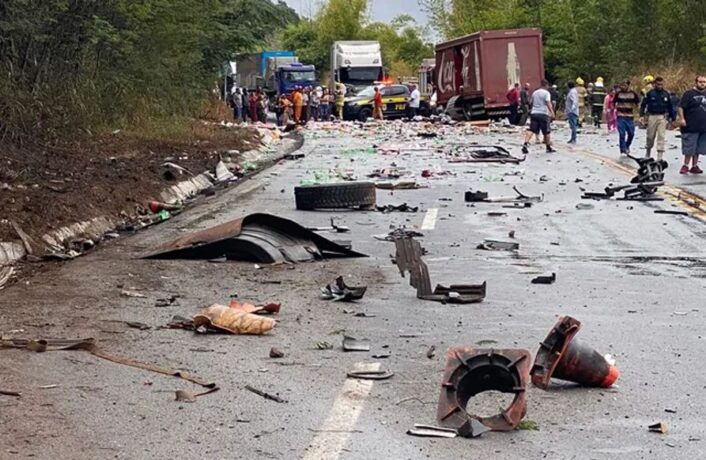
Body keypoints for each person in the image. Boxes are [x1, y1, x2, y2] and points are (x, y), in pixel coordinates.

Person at [639, 76, 675, 160]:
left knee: (661, 136)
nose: (660, 86)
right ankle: (648, 151)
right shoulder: (650, 93)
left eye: (661, 84)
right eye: (658, 84)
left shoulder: (666, 94)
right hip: (652, 116)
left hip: (662, 117)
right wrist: (641, 115)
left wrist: (672, 118)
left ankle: (660, 156)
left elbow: (670, 106)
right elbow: (643, 105)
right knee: (650, 136)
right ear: (654, 84)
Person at [676, 75, 706, 174]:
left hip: (703, 127)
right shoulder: (688, 94)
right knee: (689, 147)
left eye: (704, 82)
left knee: (698, 148)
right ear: (696, 82)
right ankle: (685, 165)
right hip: (690, 126)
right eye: (700, 82)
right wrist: (682, 119)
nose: (702, 84)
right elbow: (681, 107)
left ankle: (694, 166)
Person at [521, 79, 556, 154]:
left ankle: (525, 144)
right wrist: (552, 112)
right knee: (546, 131)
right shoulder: (546, 93)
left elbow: (531, 102)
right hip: (543, 114)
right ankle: (548, 147)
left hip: (534, 113)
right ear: (546, 85)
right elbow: (548, 103)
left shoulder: (535, 93)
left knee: (531, 130)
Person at [613, 80, 641, 155]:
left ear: (628, 85)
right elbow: (613, 102)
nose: (622, 87)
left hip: (629, 116)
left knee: (631, 133)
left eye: (624, 85)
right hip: (620, 116)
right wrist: (614, 110)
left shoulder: (633, 94)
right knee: (622, 133)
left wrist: (640, 114)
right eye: (621, 85)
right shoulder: (618, 94)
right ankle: (623, 148)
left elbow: (637, 103)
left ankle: (627, 145)